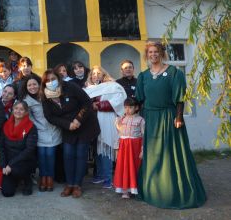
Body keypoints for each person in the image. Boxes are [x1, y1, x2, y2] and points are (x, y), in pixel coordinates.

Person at [136, 41, 206, 209]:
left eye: (156, 52)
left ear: (162, 53)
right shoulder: (143, 76)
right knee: (154, 153)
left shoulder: (174, 72)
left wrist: (179, 116)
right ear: (147, 55)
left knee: (171, 152)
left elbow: (180, 97)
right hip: (150, 118)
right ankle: (154, 189)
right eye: (150, 52)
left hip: (169, 117)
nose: (153, 55)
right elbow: (139, 99)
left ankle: (176, 191)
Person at [42, 70, 100, 198]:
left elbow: (87, 103)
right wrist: (67, 124)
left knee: (80, 154)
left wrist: (78, 120)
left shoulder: (70, 87)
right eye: (48, 80)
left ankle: (77, 185)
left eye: (53, 78)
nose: (51, 82)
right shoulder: (45, 96)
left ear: (59, 78)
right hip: (68, 127)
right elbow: (50, 117)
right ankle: (69, 184)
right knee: (68, 155)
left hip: (85, 124)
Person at [85, 65, 126, 189]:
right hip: (92, 121)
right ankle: (101, 175)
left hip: (107, 119)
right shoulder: (89, 88)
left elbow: (119, 99)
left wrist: (100, 105)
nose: (95, 75)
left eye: (98, 73)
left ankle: (108, 178)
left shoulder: (112, 85)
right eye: (93, 73)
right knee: (97, 149)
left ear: (103, 74)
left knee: (106, 147)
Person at [21, 74, 61, 192]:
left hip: (54, 130)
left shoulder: (49, 94)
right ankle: (43, 177)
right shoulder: (26, 100)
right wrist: (40, 127)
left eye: (34, 84)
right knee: (42, 156)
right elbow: (30, 118)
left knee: (50, 155)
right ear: (26, 87)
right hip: (39, 131)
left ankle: (50, 178)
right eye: (29, 85)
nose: (32, 87)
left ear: (39, 84)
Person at [0, 101, 38, 197]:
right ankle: (15, 179)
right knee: (7, 193)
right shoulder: (6, 125)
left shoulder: (31, 127)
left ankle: (27, 180)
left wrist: (11, 165)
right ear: (12, 110)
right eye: (16, 108)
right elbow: (1, 146)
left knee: (16, 170)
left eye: (21, 109)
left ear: (26, 112)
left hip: (24, 160)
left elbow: (29, 150)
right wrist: (3, 165)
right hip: (8, 161)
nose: (18, 111)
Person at [113, 98, 145, 199]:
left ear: (136, 108)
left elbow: (144, 135)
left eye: (130, 107)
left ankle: (134, 189)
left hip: (134, 147)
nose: (127, 110)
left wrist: (142, 150)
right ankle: (125, 190)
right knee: (124, 167)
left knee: (133, 167)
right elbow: (119, 133)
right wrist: (117, 124)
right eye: (125, 107)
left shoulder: (140, 120)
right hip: (123, 147)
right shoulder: (122, 119)